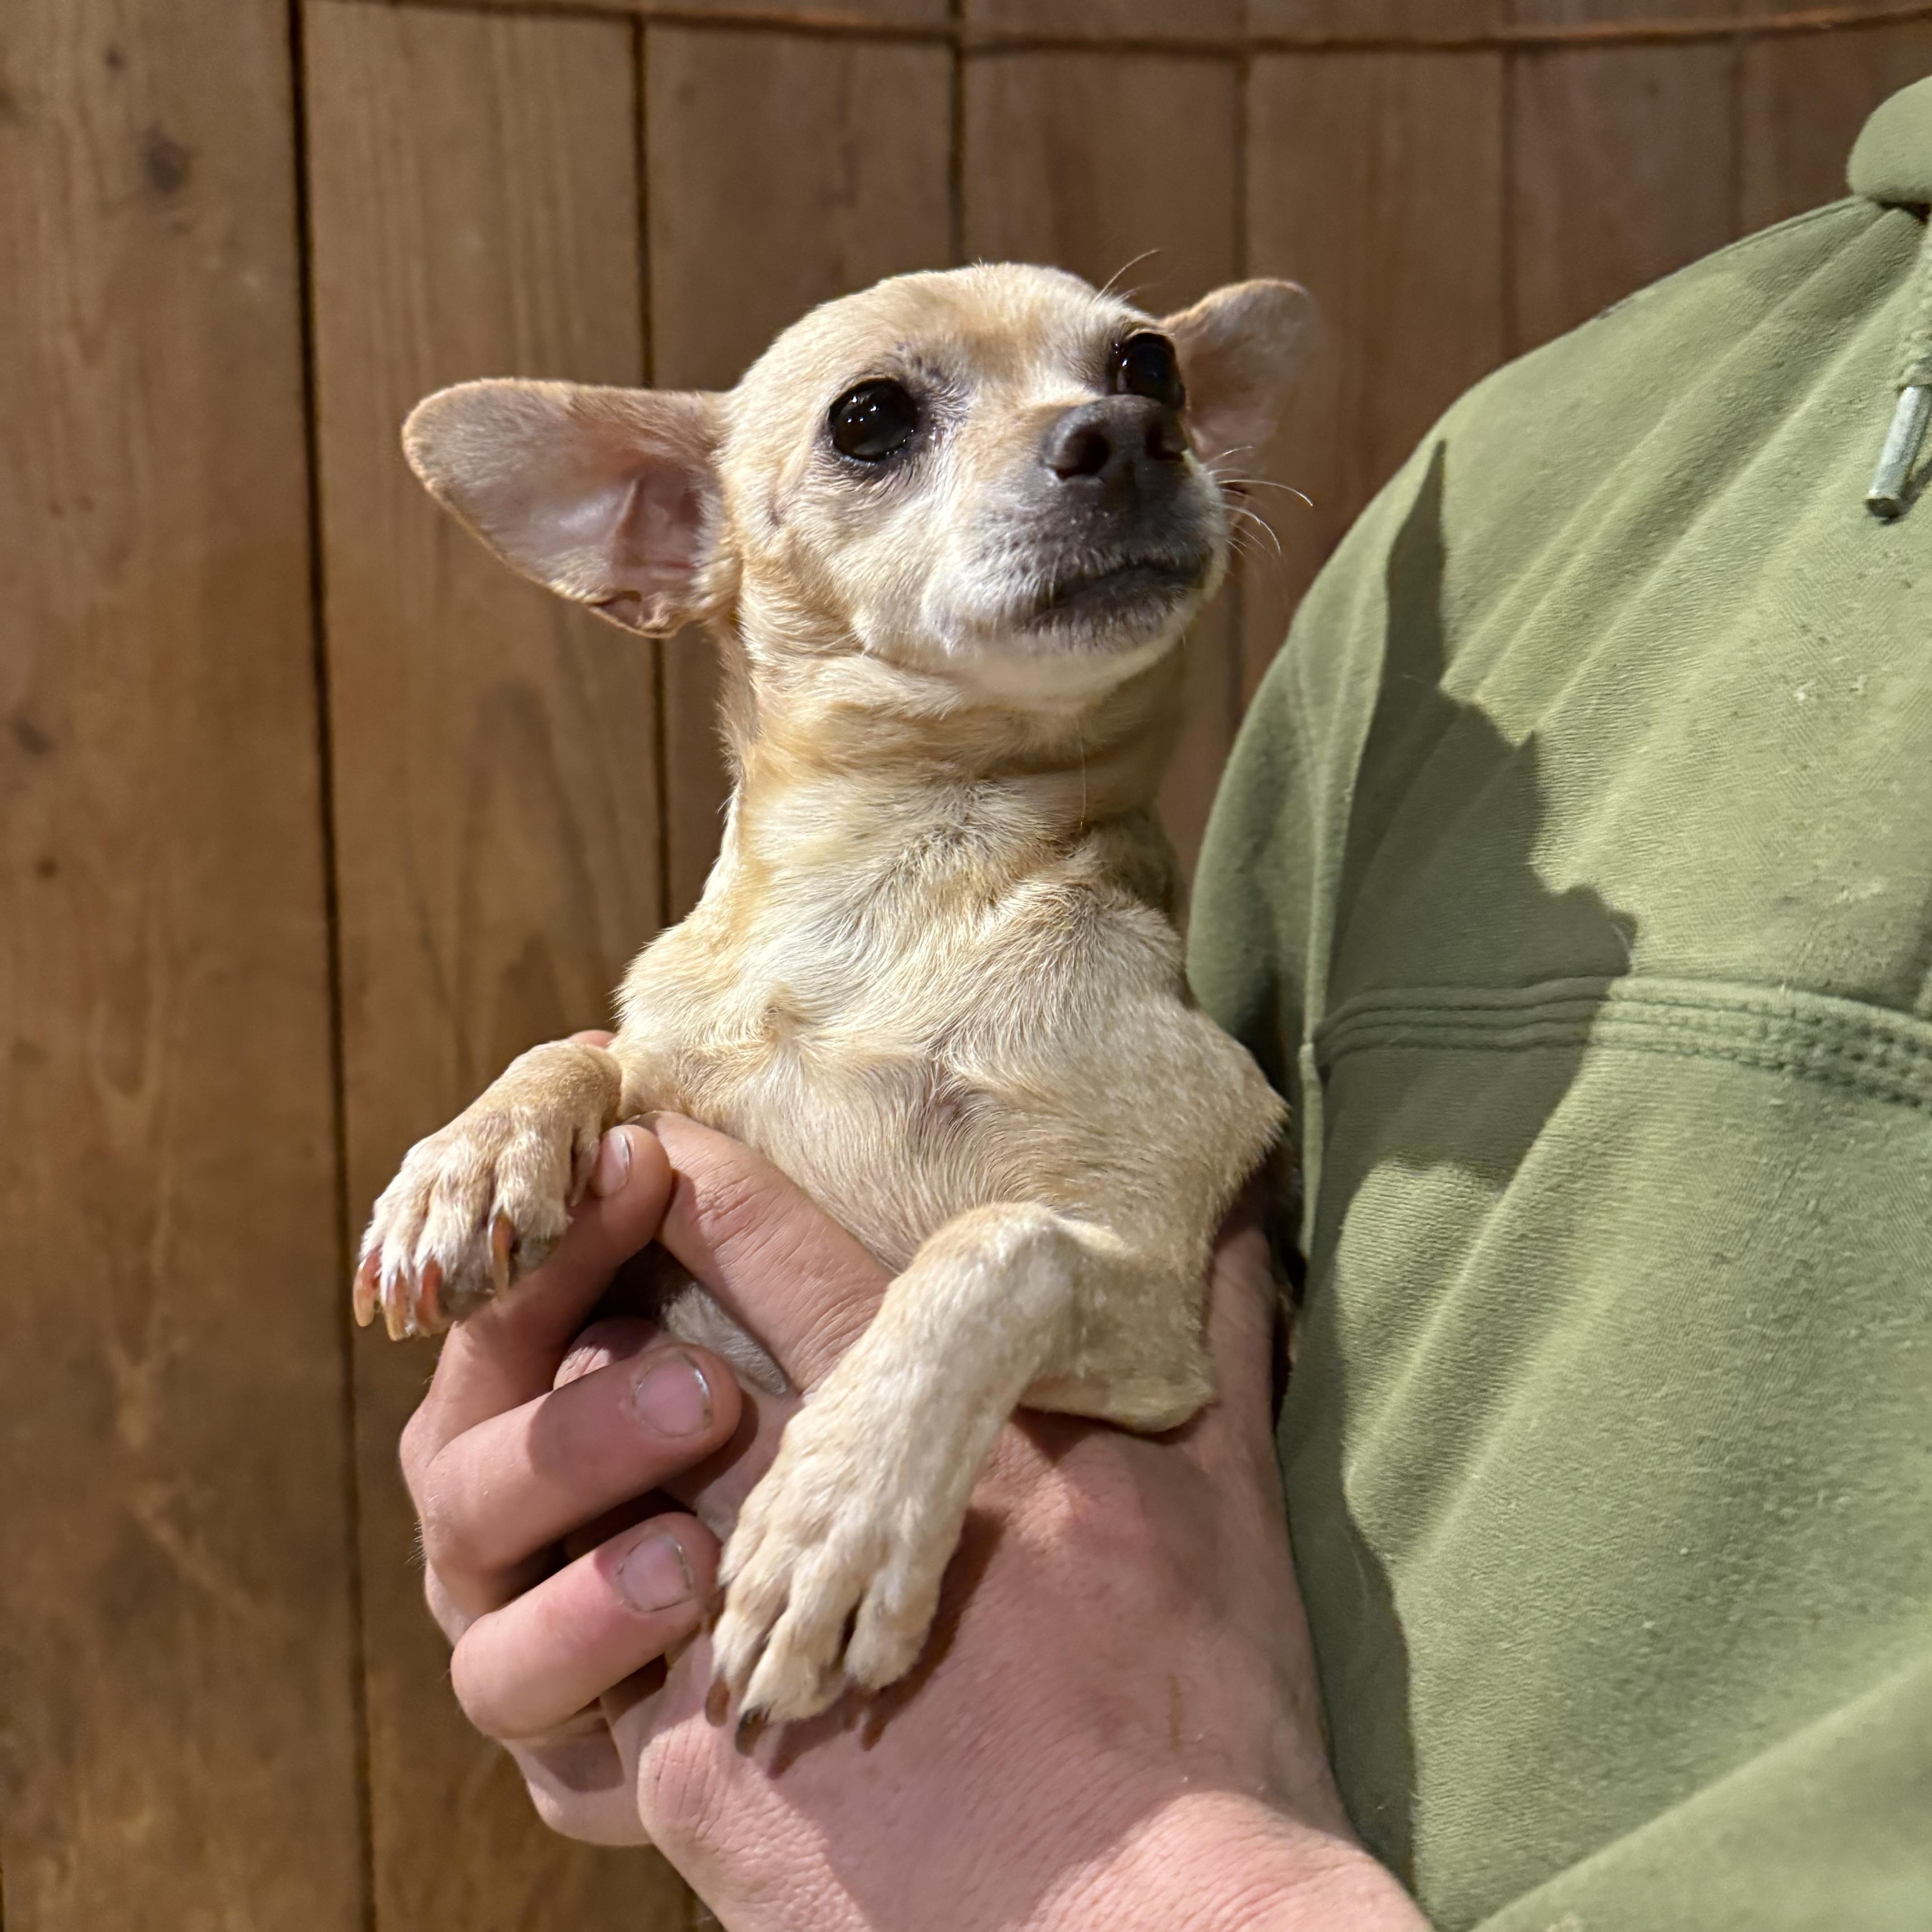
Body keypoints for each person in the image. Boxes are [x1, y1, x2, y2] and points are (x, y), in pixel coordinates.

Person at [401, 80, 1932, 1931]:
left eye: (1138, 382)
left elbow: (1153, 1326)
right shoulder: (675, 1010)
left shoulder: (1112, 990)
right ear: (668, 535)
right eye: (884, 426)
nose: (1104, 435)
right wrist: (539, 1121)